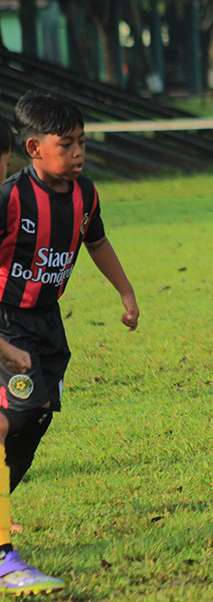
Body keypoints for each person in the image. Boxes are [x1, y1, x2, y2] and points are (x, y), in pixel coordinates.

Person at [0, 92, 141, 591]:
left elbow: (96, 241)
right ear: (34, 147)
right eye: (68, 144)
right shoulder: (12, 197)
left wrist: (125, 291)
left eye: (83, 142)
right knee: (14, 413)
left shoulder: (86, 195)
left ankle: (2, 505)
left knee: (35, 417)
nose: (79, 152)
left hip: (48, 323)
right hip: (7, 320)